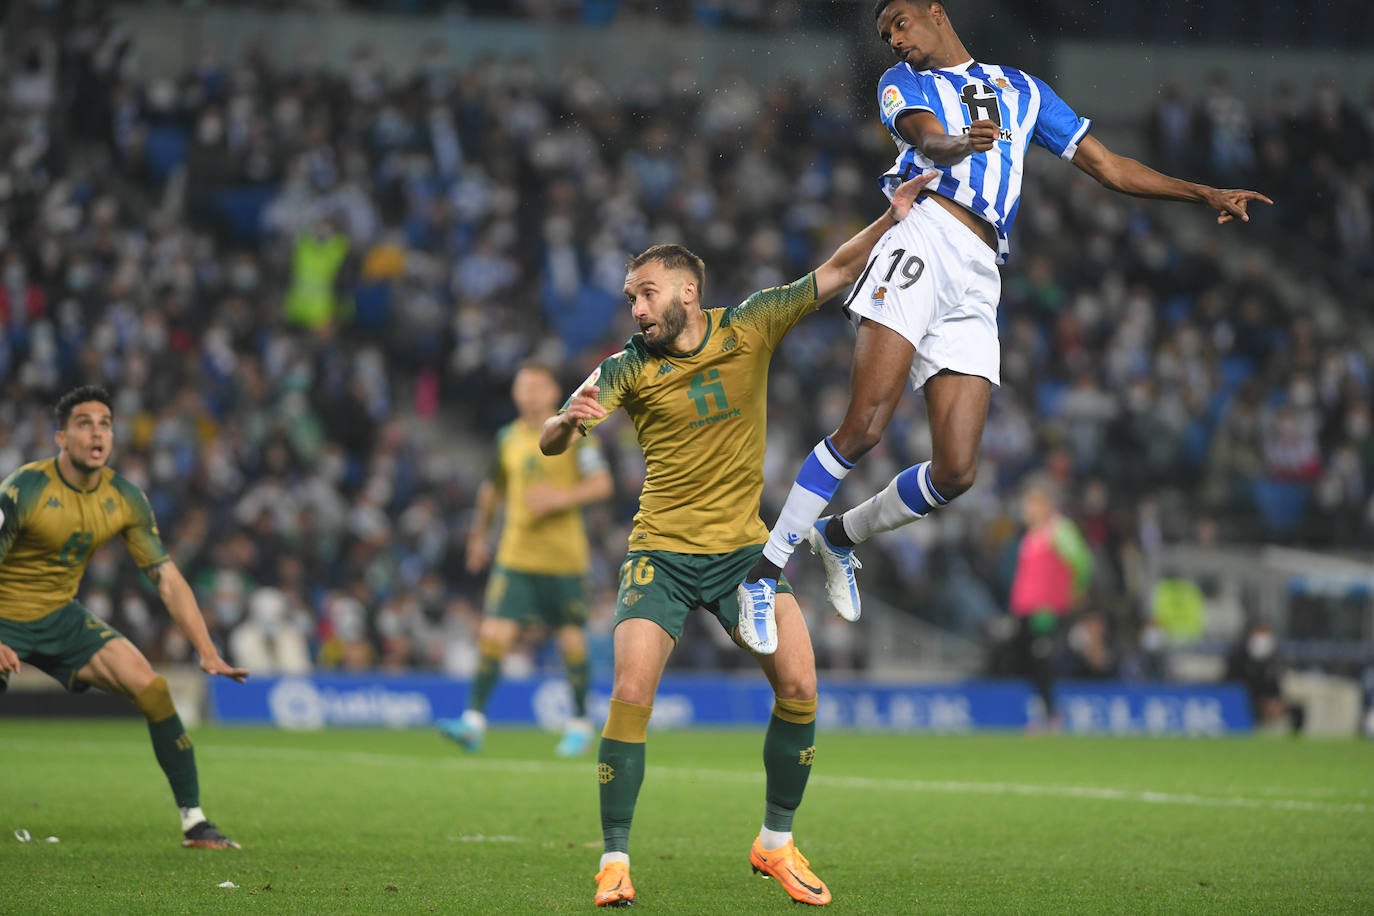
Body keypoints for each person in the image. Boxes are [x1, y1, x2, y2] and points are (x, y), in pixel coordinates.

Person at [740, 0, 1273, 636]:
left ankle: (839, 537)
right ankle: (763, 576)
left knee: (957, 470)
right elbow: (924, 137)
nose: (895, 40)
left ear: (934, 11)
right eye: (885, 34)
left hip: (981, 271)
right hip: (924, 237)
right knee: (864, 426)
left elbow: (1108, 166)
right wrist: (959, 142)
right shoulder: (903, 84)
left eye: (901, 23)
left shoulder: (1021, 89)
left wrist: (1202, 193)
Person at [542, 171, 935, 908]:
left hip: (743, 560)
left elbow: (836, 272)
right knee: (630, 690)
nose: (635, 306)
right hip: (660, 551)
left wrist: (893, 216)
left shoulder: (749, 323)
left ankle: (775, 844)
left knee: (801, 687)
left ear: (687, 291)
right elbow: (551, 438)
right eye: (630, 296)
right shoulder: (626, 366)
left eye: (646, 292)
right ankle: (614, 861)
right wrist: (564, 425)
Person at [0, 385, 248, 849]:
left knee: (152, 689)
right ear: (60, 438)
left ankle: (195, 823)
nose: (97, 433)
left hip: (59, 616)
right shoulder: (23, 489)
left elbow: (167, 578)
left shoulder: (124, 497)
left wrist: (207, 650)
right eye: (84, 424)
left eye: (105, 424)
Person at [437, 361, 614, 757]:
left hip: (564, 559)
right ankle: (473, 722)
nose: (529, 394)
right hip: (516, 556)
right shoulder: (507, 439)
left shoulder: (578, 432)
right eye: (522, 387)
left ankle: (580, 724)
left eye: (537, 386)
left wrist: (558, 498)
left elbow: (602, 484)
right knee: (494, 634)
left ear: (554, 392)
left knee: (571, 640)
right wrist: (478, 538)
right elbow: (492, 490)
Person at [1008, 476, 1092, 728]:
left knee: (1042, 660)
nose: (1026, 509)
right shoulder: (1033, 534)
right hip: (1027, 608)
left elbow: (1082, 561)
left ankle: (1052, 715)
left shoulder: (1059, 530)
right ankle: (1046, 711)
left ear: (1047, 505)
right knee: (1029, 662)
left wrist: (1076, 591)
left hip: (1046, 609)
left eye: (1031, 503)